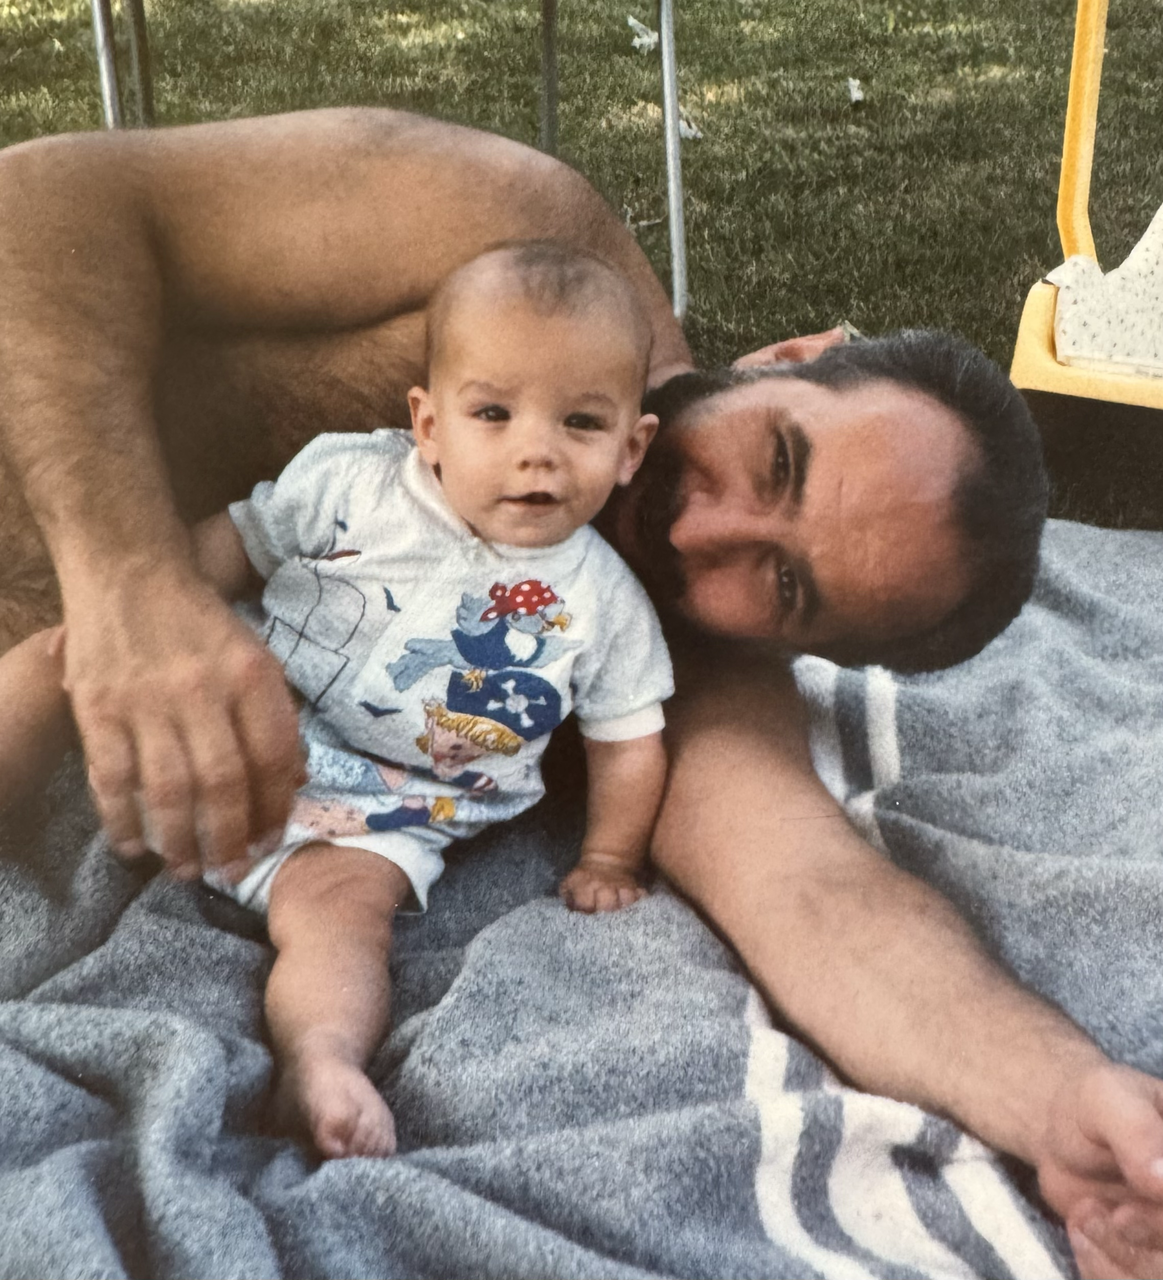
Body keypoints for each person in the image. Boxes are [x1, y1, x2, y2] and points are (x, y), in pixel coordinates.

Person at [0, 109, 1163, 1278]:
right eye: (775, 457)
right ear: (792, 356)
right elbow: (41, 205)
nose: (702, 529)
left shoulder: (674, 658)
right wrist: (130, 583)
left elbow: (816, 899)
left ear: (802, 650)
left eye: (781, 584)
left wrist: (1067, 1107)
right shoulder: (511, 231)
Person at [0, 239, 675, 1159]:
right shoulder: (351, 483)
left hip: (378, 811)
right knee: (59, 659)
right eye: (492, 413)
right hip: (234, 716)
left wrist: (609, 856)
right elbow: (232, 546)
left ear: (632, 447)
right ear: (428, 424)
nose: (536, 454)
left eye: (582, 424)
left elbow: (628, 741)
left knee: (343, 920)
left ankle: (322, 1058)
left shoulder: (603, 603)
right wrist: (147, 624)